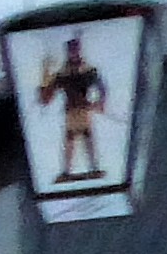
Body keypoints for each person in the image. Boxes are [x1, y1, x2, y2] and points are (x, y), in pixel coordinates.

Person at [35, 33, 112, 183]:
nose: (74, 54)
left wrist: (100, 102)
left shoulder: (87, 71)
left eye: (75, 51)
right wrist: (45, 76)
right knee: (71, 138)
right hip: (71, 110)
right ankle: (68, 170)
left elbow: (101, 87)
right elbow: (47, 94)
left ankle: (93, 167)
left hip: (83, 108)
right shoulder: (63, 74)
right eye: (72, 51)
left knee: (86, 135)